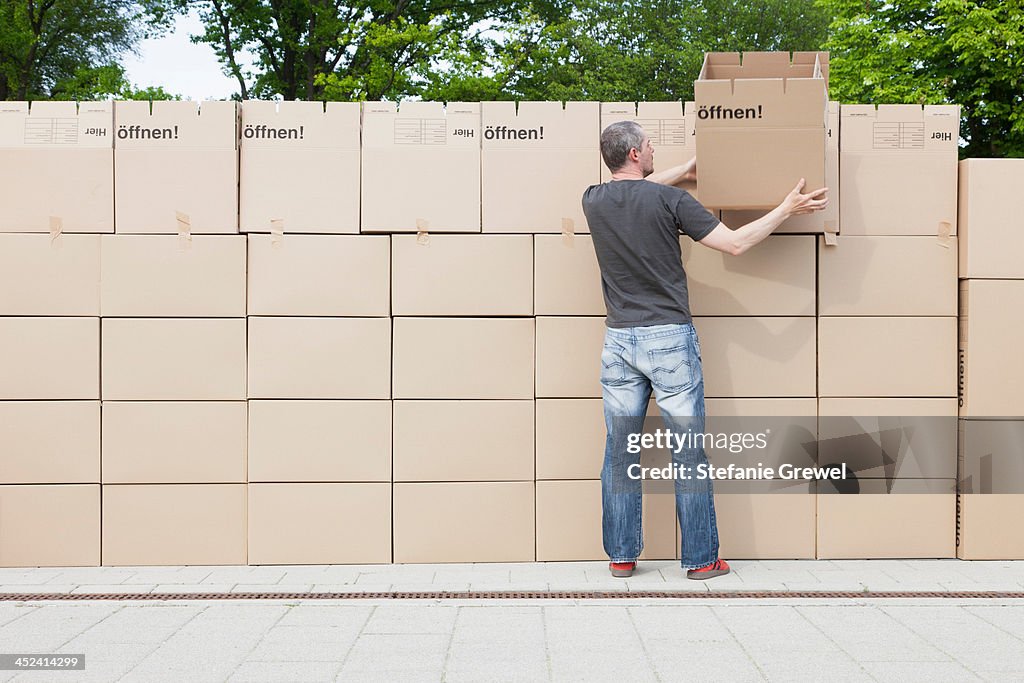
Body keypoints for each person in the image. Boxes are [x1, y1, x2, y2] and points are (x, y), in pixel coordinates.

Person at [581, 120, 829, 580]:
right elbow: (734, 244)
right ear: (635, 153)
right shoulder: (671, 201)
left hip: (618, 341)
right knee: (687, 451)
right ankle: (700, 560)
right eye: (650, 146)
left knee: (619, 451)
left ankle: (621, 555)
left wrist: (684, 168)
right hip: (669, 340)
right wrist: (786, 208)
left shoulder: (593, 201)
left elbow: (637, 190)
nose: (655, 153)